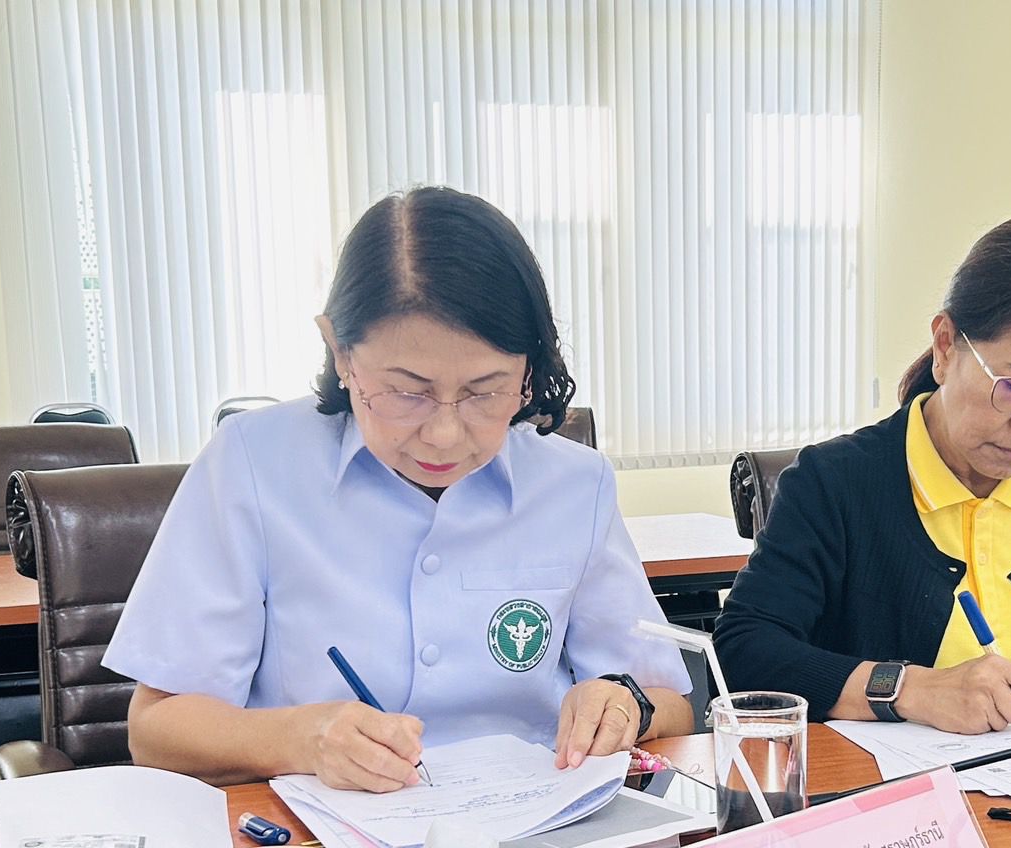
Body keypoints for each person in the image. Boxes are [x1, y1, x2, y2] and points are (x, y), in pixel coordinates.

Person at [104, 186, 692, 791]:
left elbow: (669, 699)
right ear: (340, 351)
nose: (442, 433)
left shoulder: (575, 484)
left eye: (485, 391)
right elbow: (155, 728)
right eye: (407, 391)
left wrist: (626, 705)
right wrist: (303, 736)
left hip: (537, 839)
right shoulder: (252, 465)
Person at [714, 216, 1011, 734]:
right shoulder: (835, 481)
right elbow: (747, 651)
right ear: (945, 347)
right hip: (895, 794)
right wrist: (912, 689)